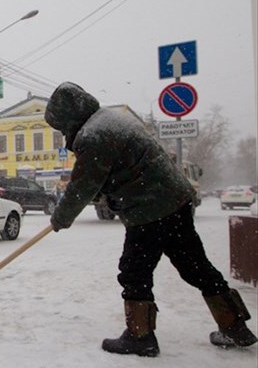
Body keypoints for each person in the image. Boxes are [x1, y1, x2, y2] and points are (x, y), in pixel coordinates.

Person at [44, 81, 256, 357]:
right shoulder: (110, 120)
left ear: (68, 117)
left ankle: (139, 336)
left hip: (149, 208)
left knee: (134, 271)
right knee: (195, 265)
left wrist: (60, 218)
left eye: (61, 126)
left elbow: (83, 185)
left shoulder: (94, 135)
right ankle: (235, 326)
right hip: (174, 201)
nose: (63, 132)